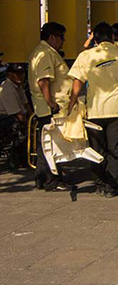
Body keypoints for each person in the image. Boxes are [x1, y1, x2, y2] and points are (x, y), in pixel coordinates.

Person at [68, 22, 118, 196]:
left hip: (94, 110)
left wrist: (72, 103)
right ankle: (112, 186)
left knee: (96, 149)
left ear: (94, 38)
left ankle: (100, 182)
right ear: (112, 37)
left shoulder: (86, 56)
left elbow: (77, 81)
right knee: (116, 149)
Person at [28, 22, 72, 191]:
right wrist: (50, 102)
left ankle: (42, 177)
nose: (63, 41)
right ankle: (51, 179)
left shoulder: (44, 51)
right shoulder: (45, 53)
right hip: (49, 107)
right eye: (61, 37)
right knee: (52, 144)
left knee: (44, 144)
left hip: (46, 106)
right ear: (52, 37)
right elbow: (43, 80)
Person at [0, 63, 31, 167]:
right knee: (18, 126)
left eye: (22, 73)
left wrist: (33, 118)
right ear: (10, 75)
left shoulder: (18, 86)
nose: (21, 76)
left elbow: (26, 104)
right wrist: (29, 126)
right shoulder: (7, 88)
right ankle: (16, 158)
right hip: (6, 118)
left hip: (16, 115)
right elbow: (19, 115)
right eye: (17, 73)